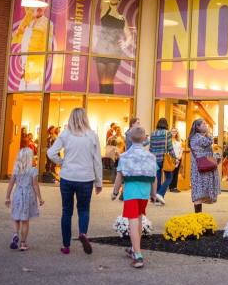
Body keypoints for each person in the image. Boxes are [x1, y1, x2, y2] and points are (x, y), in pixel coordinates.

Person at [47, 108, 103, 255]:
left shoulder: (65, 134)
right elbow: (97, 160)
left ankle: (66, 246)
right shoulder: (92, 136)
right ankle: (83, 233)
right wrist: (99, 182)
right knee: (84, 209)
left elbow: (50, 152)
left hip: (67, 177)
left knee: (67, 211)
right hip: (86, 178)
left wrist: (62, 162)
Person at [111, 126, 157, 268]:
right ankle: (133, 248)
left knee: (133, 222)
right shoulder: (151, 157)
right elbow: (154, 177)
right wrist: (153, 194)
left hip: (131, 192)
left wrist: (115, 192)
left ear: (130, 138)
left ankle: (138, 255)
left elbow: (120, 176)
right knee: (139, 219)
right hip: (144, 192)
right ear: (144, 139)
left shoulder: (124, 157)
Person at [93, 0, 133, 94]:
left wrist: (126, 43)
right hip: (102, 48)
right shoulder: (105, 9)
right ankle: (101, 102)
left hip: (115, 51)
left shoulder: (122, 18)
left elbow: (129, 35)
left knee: (109, 81)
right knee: (102, 82)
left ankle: (107, 101)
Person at [5, 147, 44, 251]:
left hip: (17, 195)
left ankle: (15, 234)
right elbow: (35, 185)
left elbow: (11, 184)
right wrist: (40, 198)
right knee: (25, 221)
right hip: (28, 196)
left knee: (16, 218)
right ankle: (23, 243)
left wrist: (7, 197)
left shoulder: (16, 169)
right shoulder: (33, 170)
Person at [188, 119, 221, 212]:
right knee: (198, 193)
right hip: (199, 169)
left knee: (200, 192)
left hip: (200, 168)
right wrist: (208, 133)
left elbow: (206, 150)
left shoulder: (197, 137)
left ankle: (199, 217)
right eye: (203, 124)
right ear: (197, 127)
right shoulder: (197, 137)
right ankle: (198, 218)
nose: (206, 125)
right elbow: (209, 141)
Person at [149, 118, 177, 204]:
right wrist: (174, 157)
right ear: (166, 125)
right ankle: (160, 194)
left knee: (157, 178)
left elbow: (151, 148)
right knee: (169, 177)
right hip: (164, 159)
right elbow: (170, 147)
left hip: (154, 159)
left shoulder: (153, 133)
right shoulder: (167, 133)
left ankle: (157, 199)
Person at [169, 127, 184, 193]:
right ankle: (171, 187)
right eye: (172, 131)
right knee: (171, 173)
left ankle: (175, 187)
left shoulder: (179, 140)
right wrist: (175, 158)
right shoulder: (169, 140)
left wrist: (179, 157)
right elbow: (169, 150)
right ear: (170, 132)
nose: (174, 133)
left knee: (176, 173)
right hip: (172, 158)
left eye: (175, 131)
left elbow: (181, 149)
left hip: (179, 158)